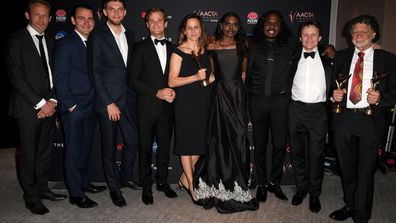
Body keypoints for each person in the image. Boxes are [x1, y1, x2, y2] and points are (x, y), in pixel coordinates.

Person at [330, 15, 396, 223]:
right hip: (344, 119)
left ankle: (361, 215)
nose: (357, 36)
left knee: (365, 171)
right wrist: (334, 95)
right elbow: (332, 86)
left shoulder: (389, 59)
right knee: (346, 168)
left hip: (370, 121)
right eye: (354, 32)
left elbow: (394, 91)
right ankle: (350, 205)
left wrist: (381, 98)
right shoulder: (340, 57)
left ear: (373, 34)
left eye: (363, 32)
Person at [193, 12, 259, 214]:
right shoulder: (211, 46)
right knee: (218, 138)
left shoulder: (244, 46)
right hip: (219, 96)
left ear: (239, 28)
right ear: (221, 25)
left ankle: (238, 179)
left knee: (239, 137)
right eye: (227, 24)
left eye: (235, 25)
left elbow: (243, 74)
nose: (231, 27)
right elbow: (212, 74)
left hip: (238, 96)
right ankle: (218, 180)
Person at [6, 0, 67, 215]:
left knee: (43, 153)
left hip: (50, 106)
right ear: (27, 15)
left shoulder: (52, 41)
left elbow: (57, 74)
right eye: (37, 15)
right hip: (27, 108)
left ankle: (42, 188)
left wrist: (53, 101)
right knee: (29, 155)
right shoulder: (16, 40)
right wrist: (41, 103)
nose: (41, 20)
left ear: (51, 18)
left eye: (45, 16)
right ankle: (30, 197)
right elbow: (16, 76)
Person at [52, 4, 107, 209]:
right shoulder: (66, 44)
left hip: (92, 105)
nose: (86, 22)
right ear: (73, 21)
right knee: (74, 151)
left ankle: (83, 183)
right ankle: (75, 194)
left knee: (84, 150)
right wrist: (70, 105)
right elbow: (60, 77)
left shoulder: (94, 42)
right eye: (81, 18)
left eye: (90, 19)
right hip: (74, 107)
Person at [89, 0, 139, 208]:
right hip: (107, 101)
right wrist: (108, 102)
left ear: (125, 12)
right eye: (112, 9)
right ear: (104, 12)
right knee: (109, 148)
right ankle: (114, 189)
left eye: (119, 9)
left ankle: (124, 177)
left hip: (128, 99)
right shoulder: (97, 36)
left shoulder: (130, 34)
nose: (116, 12)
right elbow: (95, 72)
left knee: (133, 140)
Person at [128, 8, 177, 205]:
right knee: (145, 149)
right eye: (152, 21)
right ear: (147, 25)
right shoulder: (139, 48)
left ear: (166, 23)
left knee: (164, 148)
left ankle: (163, 182)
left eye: (159, 21)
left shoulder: (175, 48)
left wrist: (175, 92)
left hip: (168, 109)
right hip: (146, 108)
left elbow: (178, 80)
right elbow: (132, 79)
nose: (156, 24)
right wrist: (155, 92)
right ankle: (146, 186)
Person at [288, 20, 333, 213]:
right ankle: (301, 189)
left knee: (316, 155)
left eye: (313, 34)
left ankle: (315, 194)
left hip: (318, 111)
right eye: (305, 35)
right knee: (297, 153)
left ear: (320, 38)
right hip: (295, 109)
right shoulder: (291, 57)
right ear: (300, 38)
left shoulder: (330, 59)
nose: (309, 38)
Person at [168, 13, 214, 202]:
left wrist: (212, 79)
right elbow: (172, 81)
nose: (193, 31)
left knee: (200, 145)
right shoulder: (178, 52)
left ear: (201, 29)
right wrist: (194, 77)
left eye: (197, 27)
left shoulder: (206, 51)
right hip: (186, 104)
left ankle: (183, 178)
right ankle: (191, 185)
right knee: (187, 146)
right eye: (189, 27)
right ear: (184, 31)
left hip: (204, 103)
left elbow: (209, 78)